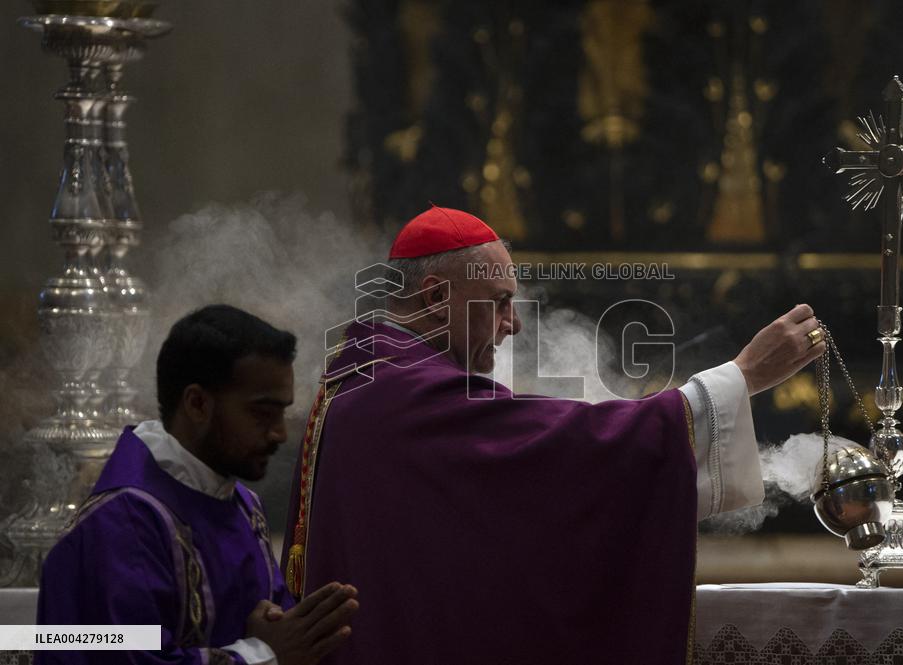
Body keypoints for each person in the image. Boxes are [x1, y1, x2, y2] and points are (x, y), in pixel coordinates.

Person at [282, 206, 826, 665]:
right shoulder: (402, 392)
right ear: (432, 299)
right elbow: (572, 451)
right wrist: (741, 378)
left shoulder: (369, 370)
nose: (513, 325)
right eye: (497, 302)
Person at [37, 305, 359, 665]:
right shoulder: (118, 525)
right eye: (262, 413)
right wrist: (264, 655)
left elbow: (277, 633)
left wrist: (293, 630)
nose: (280, 433)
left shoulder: (242, 504)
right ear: (197, 403)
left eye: (283, 412)